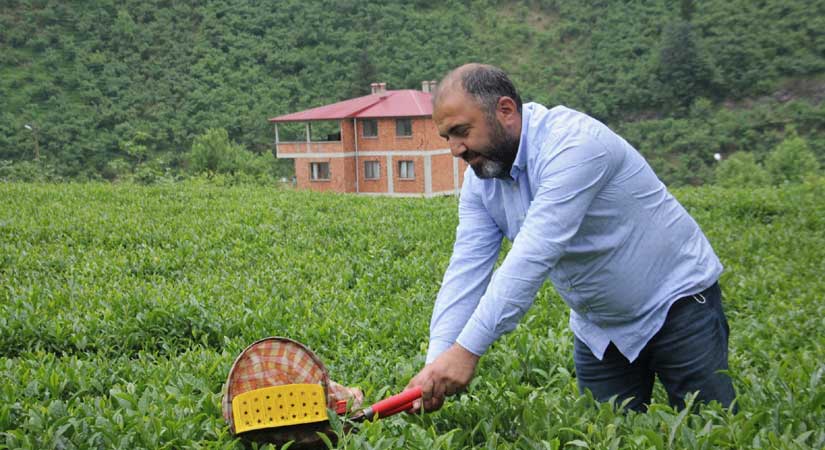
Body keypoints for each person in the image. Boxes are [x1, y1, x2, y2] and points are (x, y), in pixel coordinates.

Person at [406, 63, 736, 413]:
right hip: (600, 329)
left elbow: (532, 256)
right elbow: (466, 269)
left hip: (676, 306)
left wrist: (467, 351)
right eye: (447, 138)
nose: (455, 149)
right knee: (608, 434)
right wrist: (437, 364)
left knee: (709, 428)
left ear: (504, 110)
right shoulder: (481, 180)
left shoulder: (574, 145)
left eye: (462, 131)